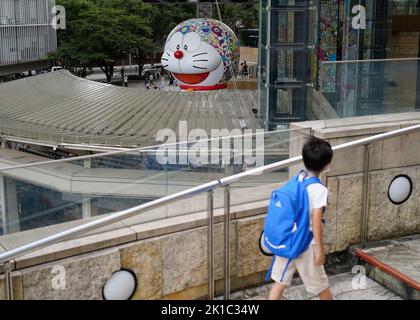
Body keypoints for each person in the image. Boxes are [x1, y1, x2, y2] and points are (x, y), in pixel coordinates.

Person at [268, 136, 333, 300]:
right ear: (326, 165)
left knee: (280, 282)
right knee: (321, 286)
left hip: (288, 241)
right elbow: (316, 223)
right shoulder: (319, 190)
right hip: (306, 245)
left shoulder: (298, 179)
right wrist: (320, 249)